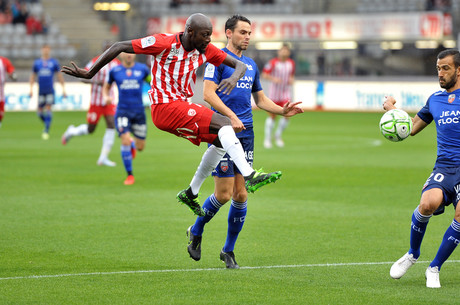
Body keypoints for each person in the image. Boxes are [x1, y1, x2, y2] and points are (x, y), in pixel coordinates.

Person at [61, 13, 282, 216]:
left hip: (179, 107)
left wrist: (233, 78)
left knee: (221, 140)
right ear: (190, 32)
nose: (208, 40)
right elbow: (120, 45)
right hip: (164, 107)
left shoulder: (205, 49)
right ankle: (250, 175)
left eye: (210, 35)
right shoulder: (163, 42)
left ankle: (191, 193)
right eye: (204, 35)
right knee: (225, 124)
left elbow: (240, 66)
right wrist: (90, 72)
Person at [183, 15, 303, 269]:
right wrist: (231, 116)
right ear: (228, 33)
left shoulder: (250, 64)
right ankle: (196, 229)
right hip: (223, 132)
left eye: (250, 32)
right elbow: (207, 94)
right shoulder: (217, 59)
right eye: (243, 32)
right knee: (224, 194)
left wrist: (282, 110)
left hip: (246, 134)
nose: (248, 36)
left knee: (241, 194)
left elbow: (260, 100)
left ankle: (228, 251)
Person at [386, 49, 460, 288]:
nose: (440, 73)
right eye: (438, 68)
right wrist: (392, 112)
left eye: (446, 68)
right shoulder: (435, 100)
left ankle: (434, 267)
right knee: (426, 204)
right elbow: (411, 128)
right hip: (445, 167)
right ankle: (412, 254)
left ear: (459, 70)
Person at [61, 42, 121, 167]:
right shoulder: (95, 61)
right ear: (104, 50)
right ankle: (71, 131)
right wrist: (96, 82)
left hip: (109, 101)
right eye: (107, 49)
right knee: (91, 129)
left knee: (111, 124)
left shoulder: (117, 64)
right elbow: (83, 77)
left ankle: (103, 157)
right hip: (96, 101)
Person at [102, 53, 151, 185]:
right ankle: (130, 175)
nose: (129, 55)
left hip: (139, 111)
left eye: (131, 53)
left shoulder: (143, 69)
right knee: (124, 140)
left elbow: (152, 83)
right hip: (123, 111)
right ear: (121, 55)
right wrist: (106, 97)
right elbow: (106, 88)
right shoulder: (115, 71)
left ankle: (133, 145)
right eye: (126, 53)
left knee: (141, 147)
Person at [262, 43, 295, 148]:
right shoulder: (273, 63)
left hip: (285, 94)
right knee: (272, 116)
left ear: (289, 52)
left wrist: (291, 79)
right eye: (282, 50)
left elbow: (291, 75)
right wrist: (274, 79)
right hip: (274, 94)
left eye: (286, 50)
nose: (284, 52)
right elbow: (264, 74)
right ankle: (267, 139)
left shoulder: (291, 63)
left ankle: (278, 136)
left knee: (287, 116)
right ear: (279, 52)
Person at [30, 45, 66, 140]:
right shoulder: (37, 63)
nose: (46, 51)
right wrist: (30, 89)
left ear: (49, 50)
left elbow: (59, 76)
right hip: (41, 90)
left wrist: (63, 89)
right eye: (44, 49)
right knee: (39, 112)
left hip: (50, 90)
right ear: (42, 50)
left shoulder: (53, 62)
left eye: (47, 49)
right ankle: (47, 122)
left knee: (48, 109)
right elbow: (33, 76)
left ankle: (46, 130)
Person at [0, 56, 17, 128]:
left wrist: (12, 75)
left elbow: (12, 72)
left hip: (1, 92)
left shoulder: (3, 61)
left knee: (1, 114)